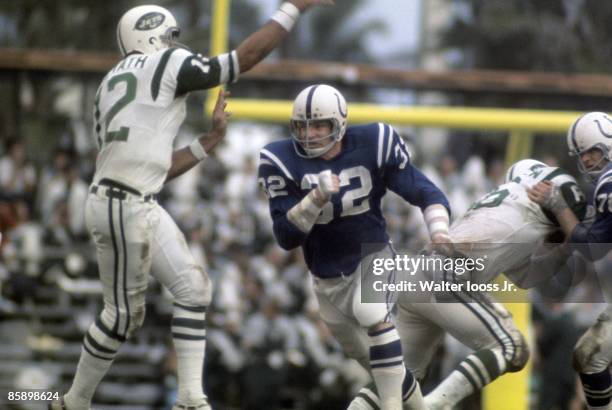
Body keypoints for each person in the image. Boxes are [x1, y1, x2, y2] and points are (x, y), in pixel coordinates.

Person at [51, 2, 333, 410]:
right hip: (123, 202)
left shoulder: (108, 87)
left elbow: (150, 167)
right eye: (169, 37)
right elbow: (243, 59)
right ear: (151, 36)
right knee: (121, 318)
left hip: (128, 196)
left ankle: (190, 400)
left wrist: (206, 143)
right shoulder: (164, 62)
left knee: (193, 288)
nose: (175, 44)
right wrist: (292, 9)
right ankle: (72, 403)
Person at [258, 83, 452, 409]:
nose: (310, 134)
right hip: (325, 278)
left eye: (320, 124)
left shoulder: (372, 143)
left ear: (340, 123)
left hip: (372, 254)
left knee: (371, 311)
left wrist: (440, 231)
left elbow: (426, 192)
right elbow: (286, 237)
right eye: (303, 125)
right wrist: (314, 199)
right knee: (382, 366)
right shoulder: (280, 160)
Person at [348, 158, 588, 410]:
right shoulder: (539, 205)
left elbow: (525, 277)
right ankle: (437, 405)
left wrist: (561, 249)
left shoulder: (509, 205)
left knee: (396, 381)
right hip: (446, 274)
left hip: (419, 274)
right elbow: (585, 242)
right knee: (511, 347)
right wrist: (564, 216)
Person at [528, 111, 612, 410]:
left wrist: (557, 206)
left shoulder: (607, 184)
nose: (587, 160)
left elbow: (592, 248)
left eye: (593, 151)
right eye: (582, 154)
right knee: (589, 355)